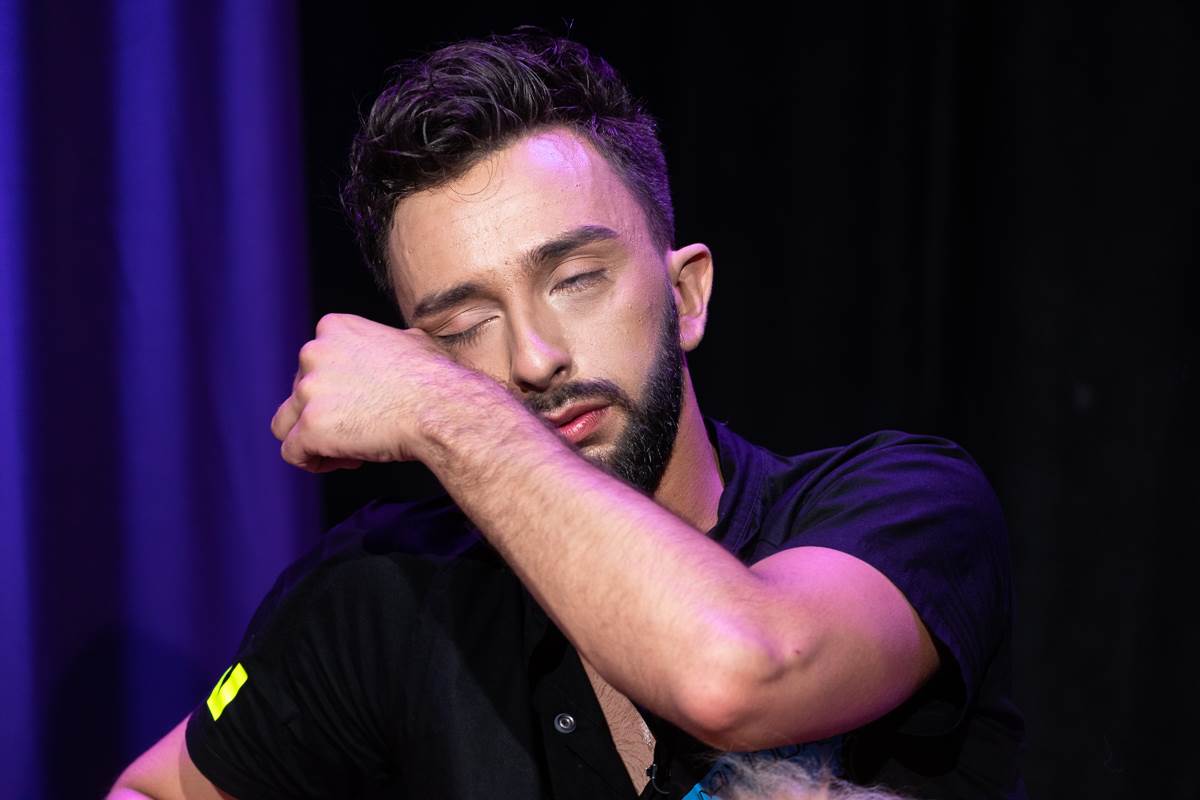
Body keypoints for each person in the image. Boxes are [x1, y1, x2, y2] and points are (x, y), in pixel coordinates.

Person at [109, 28, 1025, 800]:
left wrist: (447, 412)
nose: (534, 357)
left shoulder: (904, 502)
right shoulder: (387, 590)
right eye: (464, 327)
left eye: (577, 279)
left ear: (687, 296)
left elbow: (738, 673)